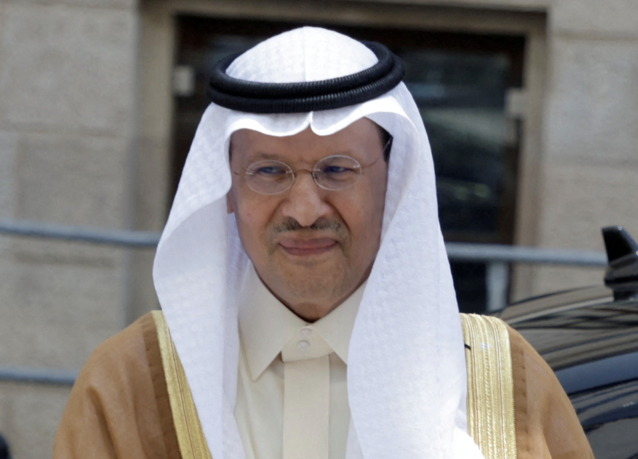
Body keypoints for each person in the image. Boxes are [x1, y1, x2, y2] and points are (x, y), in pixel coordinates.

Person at [53, 27, 593, 459]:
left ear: (393, 180)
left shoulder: (504, 381)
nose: (306, 210)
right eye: (269, 171)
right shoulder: (129, 384)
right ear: (225, 188)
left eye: (338, 169)